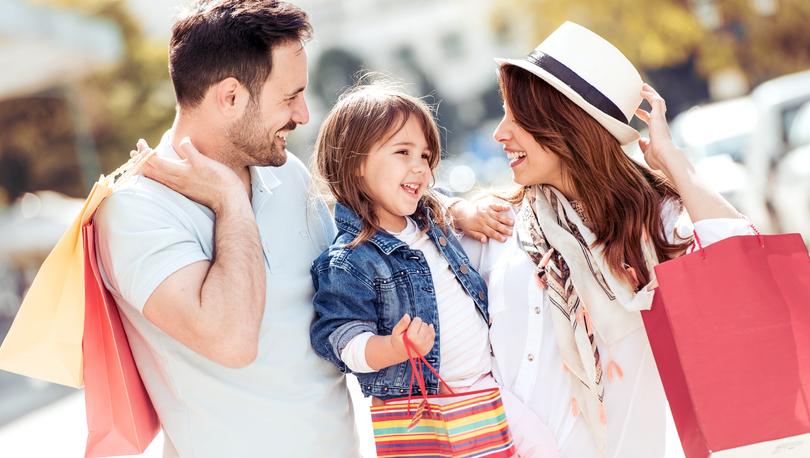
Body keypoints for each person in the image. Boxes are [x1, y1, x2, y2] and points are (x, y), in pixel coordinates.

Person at [454, 22, 755, 457]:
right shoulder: (499, 225)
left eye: (516, 117)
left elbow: (740, 260)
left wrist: (672, 161)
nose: (500, 133)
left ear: (563, 124)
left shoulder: (654, 224)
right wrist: (453, 210)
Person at [92, 2, 359, 456]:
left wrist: (441, 218)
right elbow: (232, 341)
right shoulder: (135, 211)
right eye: (290, 96)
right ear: (231, 96)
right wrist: (230, 202)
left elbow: (354, 285)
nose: (304, 115)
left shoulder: (287, 172)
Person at [308, 83, 554, 456]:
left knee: (544, 446)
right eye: (402, 152)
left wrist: (468, 214)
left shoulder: (429, 218)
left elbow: (445, 204)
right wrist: (392, 347)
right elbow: (340, 338)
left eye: (424, 156)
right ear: (356, 164)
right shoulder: (350, 259)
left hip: (486, 385)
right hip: (426, 409)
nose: (419, 167)